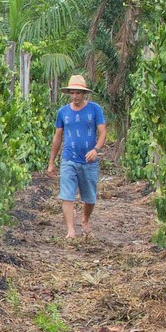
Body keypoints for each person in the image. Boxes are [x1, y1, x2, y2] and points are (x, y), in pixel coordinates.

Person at [49, 74, 107, 239]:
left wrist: (96, 149)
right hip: (69, 159)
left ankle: (85, 220)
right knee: (67, 195)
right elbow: (58, 137)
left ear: (84, 94)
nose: (75, 96)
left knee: (90, 198)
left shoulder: (95, 110)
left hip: (89, 161)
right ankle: (71, 230)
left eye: (78, 93)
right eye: (72, 93)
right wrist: (51, 162)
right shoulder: (63, 112)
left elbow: (103, 132)